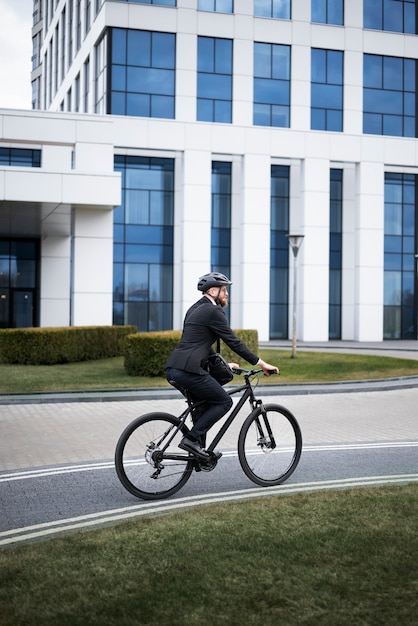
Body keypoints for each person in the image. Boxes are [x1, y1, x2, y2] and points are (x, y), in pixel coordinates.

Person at [165, 272, 279, 460]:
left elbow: (200, 344)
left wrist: (224, 364)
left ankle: (198, 454)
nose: (226, 294)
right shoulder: (213, 311)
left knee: (204, 406)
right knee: (224, 402)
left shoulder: (194, 309)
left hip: (175, 370)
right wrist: (261, 363)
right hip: (190, 370)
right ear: (212, 291)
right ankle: (191, 440)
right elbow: (234, 342)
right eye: (224, 289)